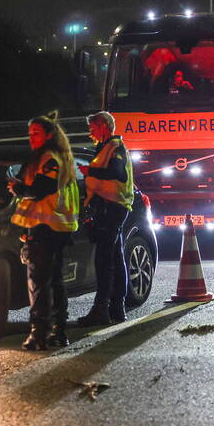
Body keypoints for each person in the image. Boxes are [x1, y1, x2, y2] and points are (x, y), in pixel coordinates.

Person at [9, 111, 80, 350]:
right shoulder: (59, 157)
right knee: (55, 281)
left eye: (36, 134)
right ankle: (58, 331)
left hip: (46, 229)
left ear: (49, 135)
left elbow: (42, 189)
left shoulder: (48, 158)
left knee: (38, 282)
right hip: (56, 228)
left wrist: (19, 188)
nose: (31, 138)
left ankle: (38, 333)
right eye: (29, 134)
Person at [76, 111, 134, 326]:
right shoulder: (106, 148)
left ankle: (101, 309)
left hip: (113, 207)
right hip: (112, 206)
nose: (90, 131)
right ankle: (117, 309)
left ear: (103, 126)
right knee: (115, 259)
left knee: (104, 260)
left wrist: (90, 171)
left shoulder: (113, 147)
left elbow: (116, 172)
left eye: (93, 127)